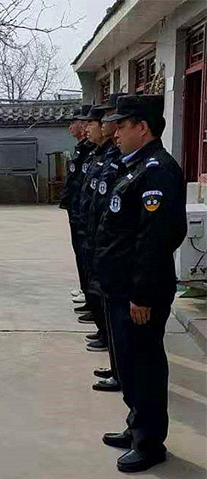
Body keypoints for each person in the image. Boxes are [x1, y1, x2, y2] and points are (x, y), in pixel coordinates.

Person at [95, 94, 187, 473]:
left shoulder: (157, 171)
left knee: (145, 365)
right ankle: (137, 426)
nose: (115, 133)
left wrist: (142, 294)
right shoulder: (133, 167)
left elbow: (157, 238)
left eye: (122, 125)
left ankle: (150, 443)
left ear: (142, 127)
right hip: (122, 286)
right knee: (130, 363)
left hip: (140, 292)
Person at [82, 94, 125, 393]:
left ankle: (124, 375)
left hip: (118, 252)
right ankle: (119, 367)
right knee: (114, 320)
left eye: (119, 122)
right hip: (97, 236)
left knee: (130, 333)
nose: (115, 128)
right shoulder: (102, 155)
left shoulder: (148, 168)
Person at [60, 105, 96, 319]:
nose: (70, 127)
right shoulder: (83, 149)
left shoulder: (92, 151)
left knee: (88, 256)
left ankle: (92, 299)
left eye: (74, 122)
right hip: (77, 209)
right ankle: (88, 293)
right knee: (81, 254)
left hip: (85, 212)